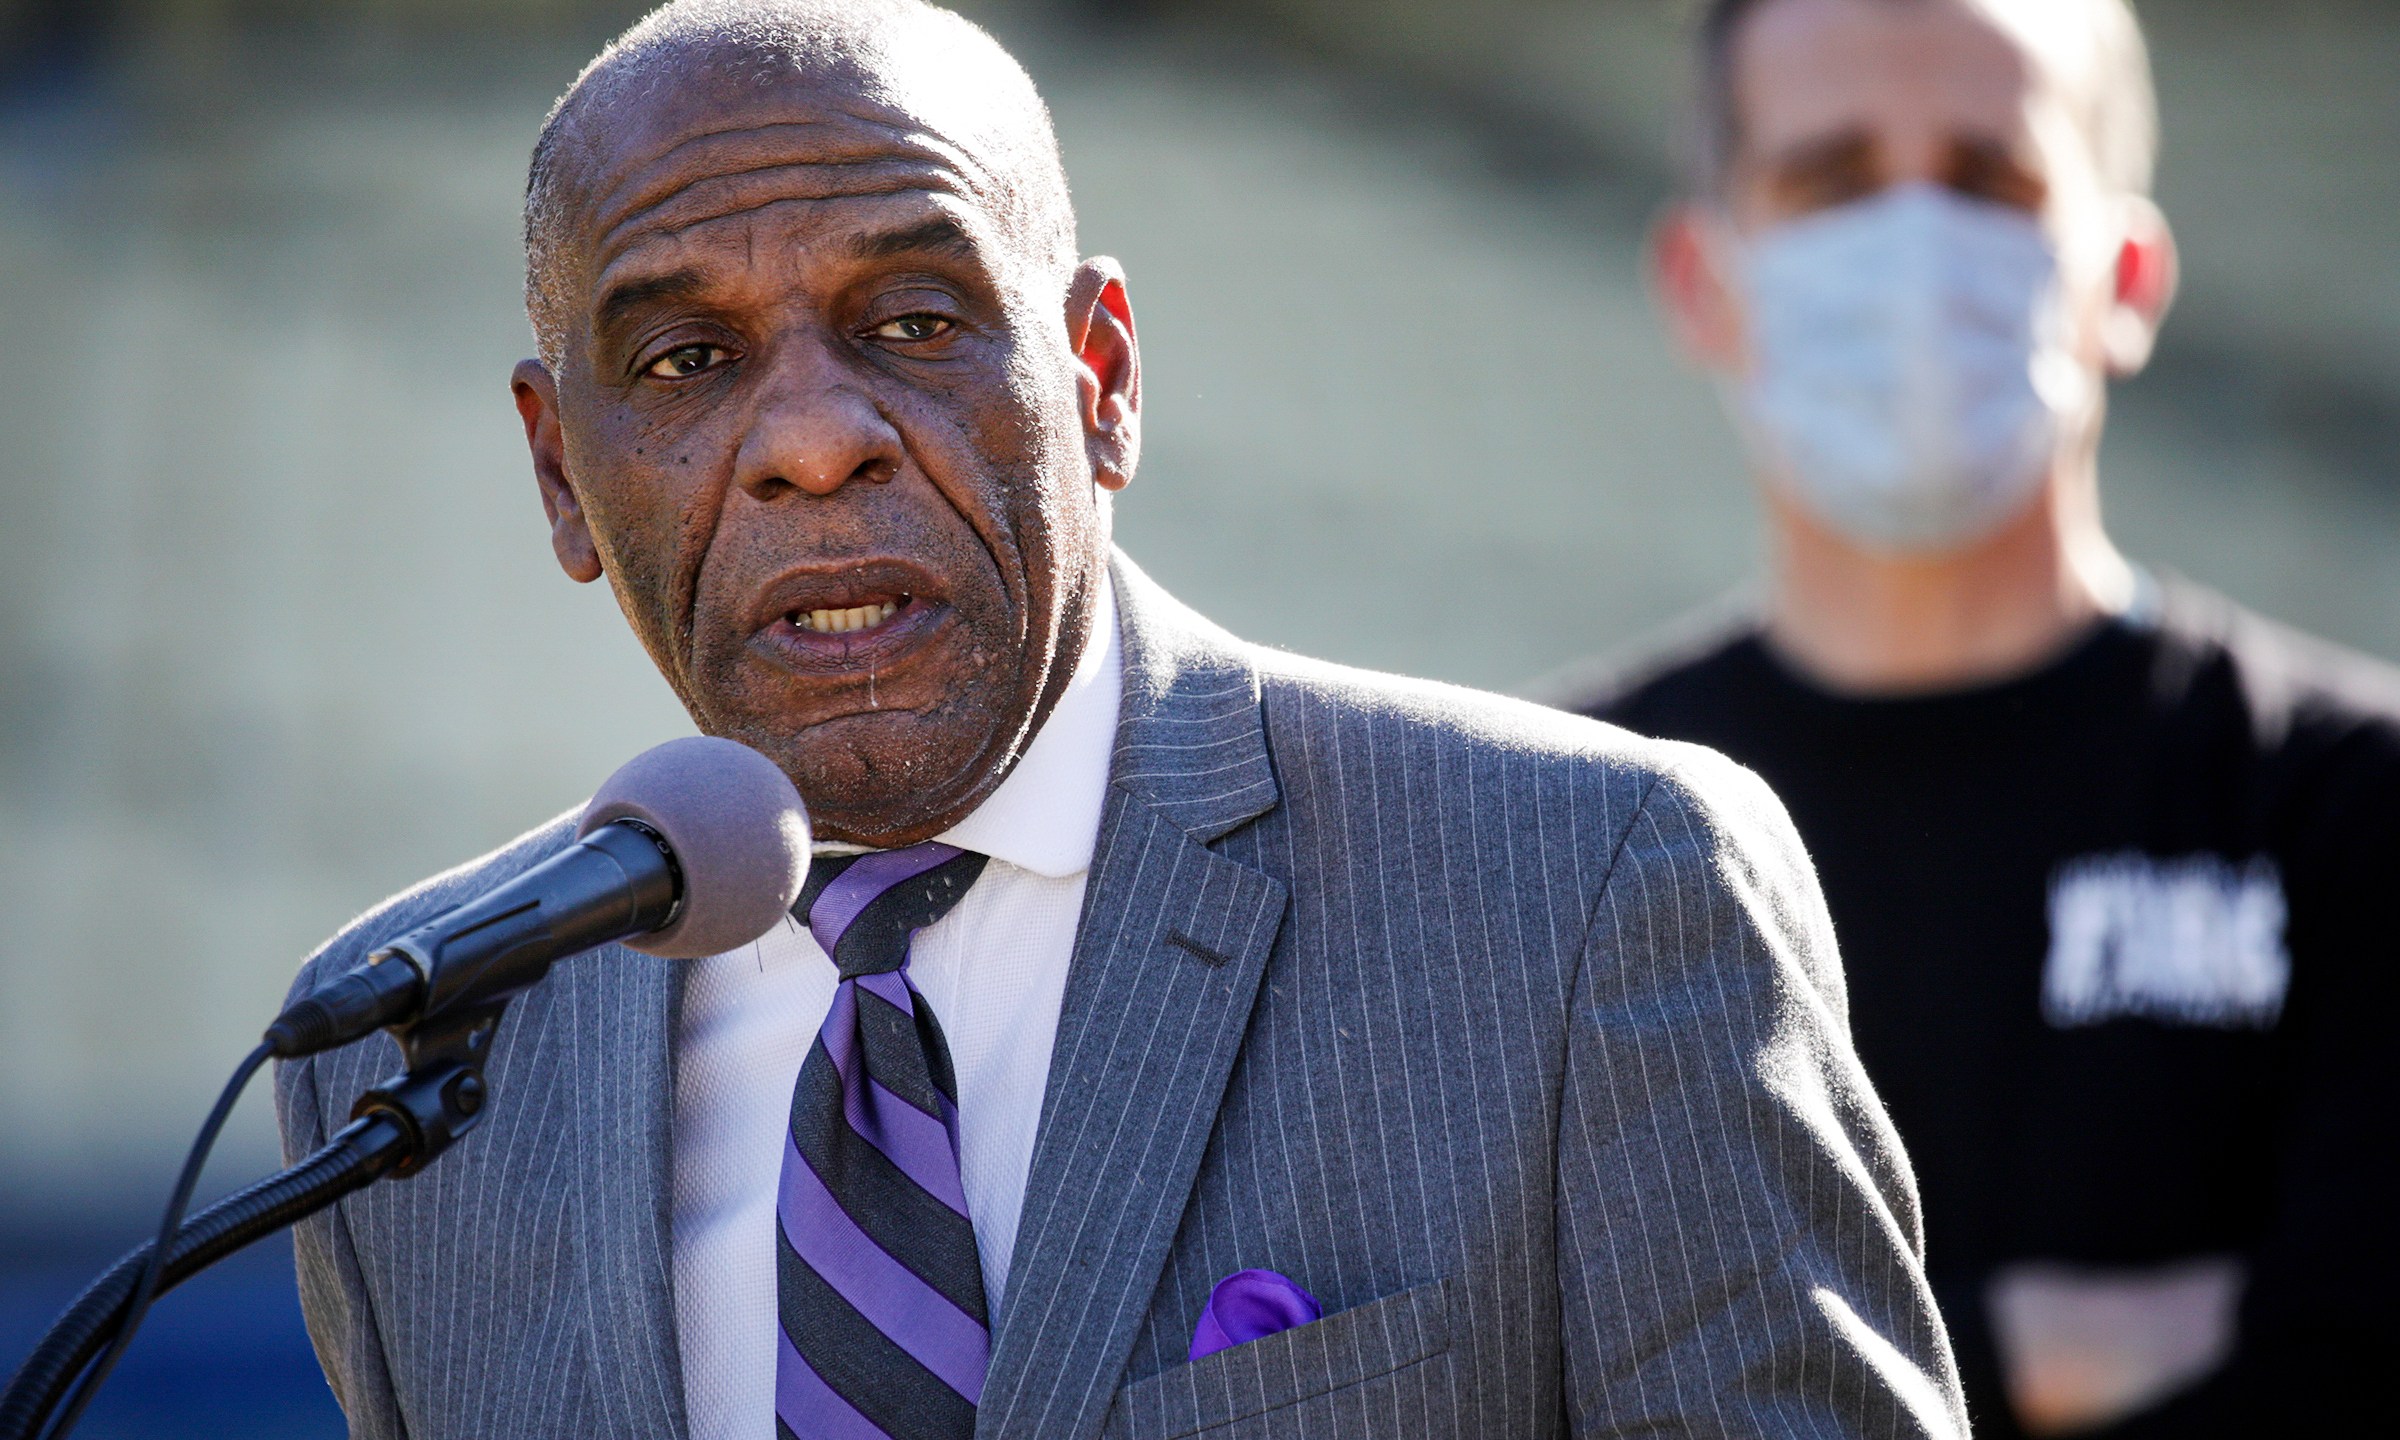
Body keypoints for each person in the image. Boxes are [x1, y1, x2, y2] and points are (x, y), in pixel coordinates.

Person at [271, 2, 1966, 1437]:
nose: (810, 438)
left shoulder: (1588, 893)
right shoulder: (406, 1053)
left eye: (914, 321)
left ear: (1100, 381)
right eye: (681, 364)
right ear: (562, 476)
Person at [1554, 0, 2400, 1435]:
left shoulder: (2350, 804)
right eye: (1832, 183)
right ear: (1704, 280)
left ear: (2124, 276)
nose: (1913, 246)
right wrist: (2052, 1367)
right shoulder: (1548, 834)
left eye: (1989, 181)